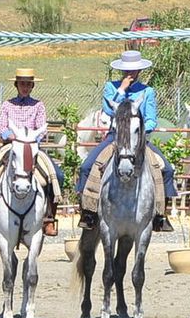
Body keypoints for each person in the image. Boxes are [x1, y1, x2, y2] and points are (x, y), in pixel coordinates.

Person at [76, 49, 177, 232]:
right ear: (122, 70)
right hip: (115, 138)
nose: (130, 73)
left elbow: (151, 118)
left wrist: (142, 130)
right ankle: (88, 211)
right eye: (127, 70)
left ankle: (161, 214)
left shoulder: (147, 91)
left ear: (139, 71)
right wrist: (121, 89)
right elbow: (108, 110)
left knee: (167, 169)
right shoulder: (111, 87)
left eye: (133, 70)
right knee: (86, 167)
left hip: (138, 139)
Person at [0, 67, 63, 238]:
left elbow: (41, 128)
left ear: (32, 86)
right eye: (22, 84)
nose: (25, 87)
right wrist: (11, 136)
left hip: (31, 146)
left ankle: (50, 219)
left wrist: (31, 140)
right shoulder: (7, 105)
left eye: (28, 84)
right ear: (16, 85)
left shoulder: (38, 105)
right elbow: (1, 126)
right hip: (10, 145)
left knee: (57, 175)